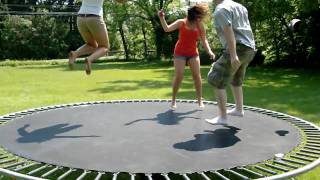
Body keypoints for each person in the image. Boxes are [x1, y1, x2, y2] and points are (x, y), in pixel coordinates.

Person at [205, 0, 256, 125]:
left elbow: (229, 32)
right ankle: (239, 109)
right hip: (249, 48)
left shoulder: (221, 9)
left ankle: (222, 117)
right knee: (236, 79)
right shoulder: (240, 7)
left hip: (237, 48)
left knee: (216, 78)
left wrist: (233, 55)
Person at [158, 4, 215, 109]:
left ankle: (199, 100)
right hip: (180, 53)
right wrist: (161, 17)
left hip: (193, 53)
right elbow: (167, 29)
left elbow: (204, 40)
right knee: (179, 76)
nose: (201, 18)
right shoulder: (181, 22)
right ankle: (173, 100)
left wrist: (209, 51)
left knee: (197, 76)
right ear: (194, 15)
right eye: (199, 16)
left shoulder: (200, 25)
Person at [68, 0, 125, 75]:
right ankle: (89, 59)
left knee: (92, 45)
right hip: (94, 17)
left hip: (80, 18)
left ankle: (75, 54)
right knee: (105, 47)